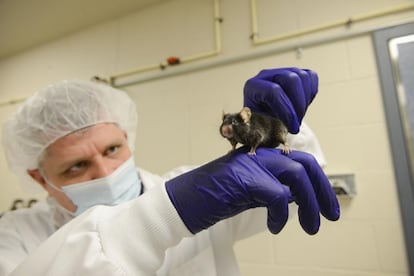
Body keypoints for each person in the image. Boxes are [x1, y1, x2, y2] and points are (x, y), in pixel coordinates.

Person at [0, 67, 339, 275]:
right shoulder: (14, 237)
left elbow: (295, 175)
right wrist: (162, 218)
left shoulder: (200, 186)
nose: (104, 171)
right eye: (77, 166)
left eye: (112, 149)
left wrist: (274, 125)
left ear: (127, 139)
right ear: (37, 177)